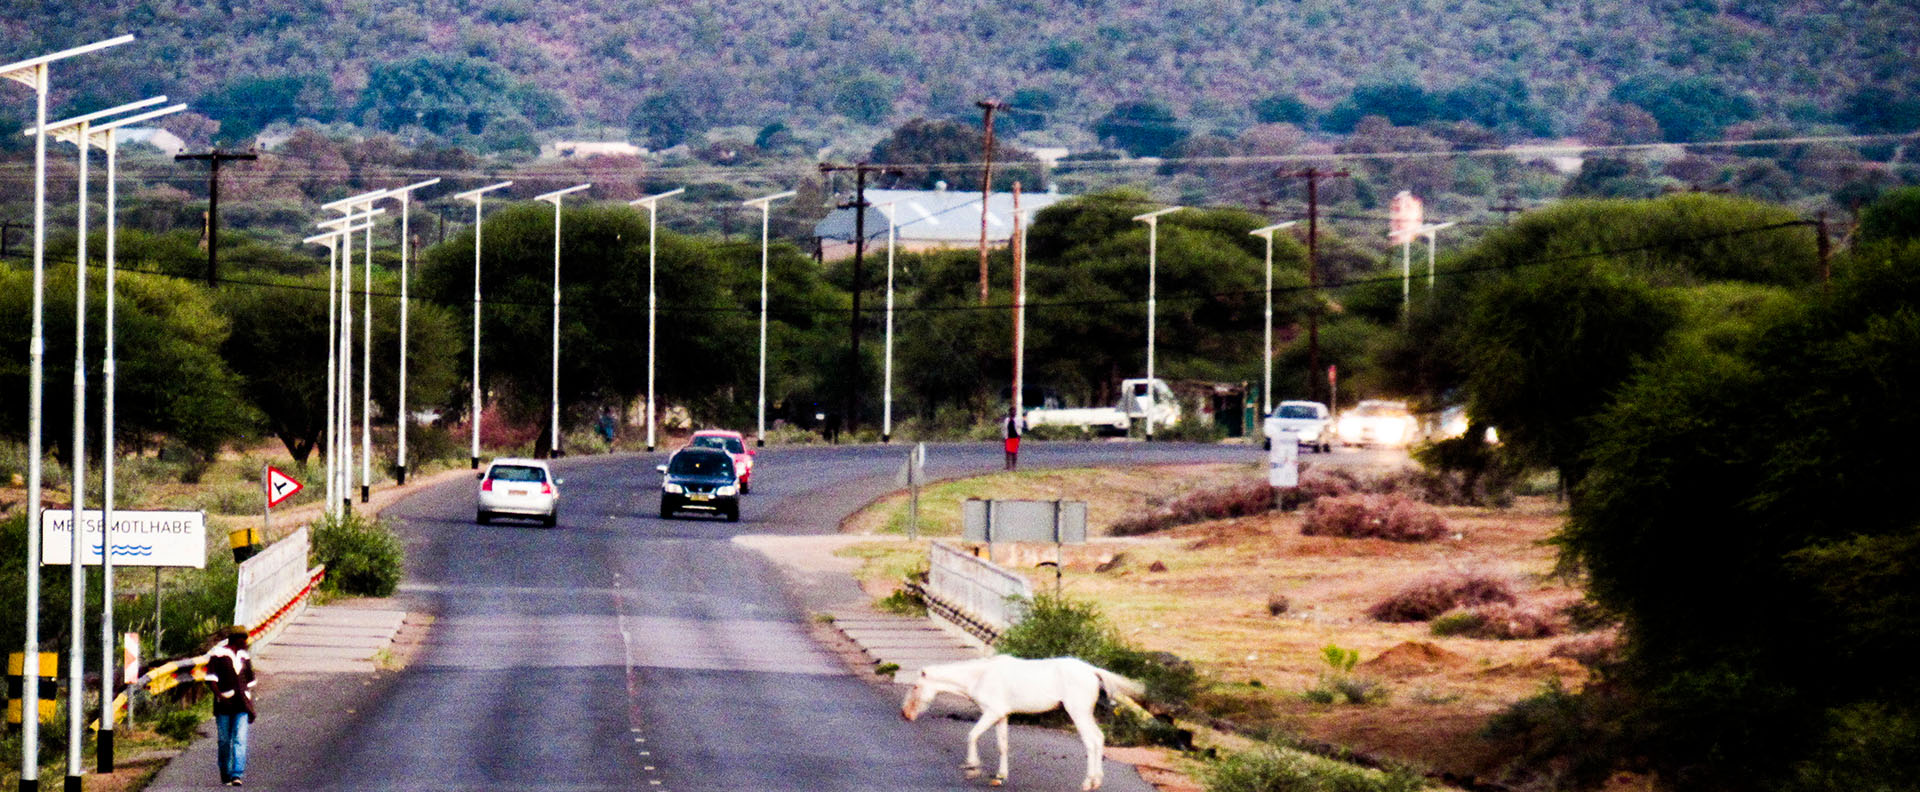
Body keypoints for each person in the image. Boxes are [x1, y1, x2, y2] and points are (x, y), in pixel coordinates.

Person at [208, 625, 258, 786]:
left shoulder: (244, 656)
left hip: (242, 704)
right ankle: (225, 771)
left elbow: (250, 680)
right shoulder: (218, 655)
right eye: (243, 639)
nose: (245, 643)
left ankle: (237, 774)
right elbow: (211, 679)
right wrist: (219, 695)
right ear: (235, 640)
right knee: (224, 740)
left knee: (239, 739)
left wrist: (247, 696)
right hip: (224, 704)